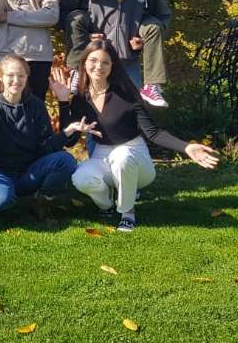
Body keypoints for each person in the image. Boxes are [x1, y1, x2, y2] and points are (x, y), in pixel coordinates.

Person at [53, 40, 219, 232]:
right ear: (84, 63)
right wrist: (63, 102)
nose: (98, 66)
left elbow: (153, 132)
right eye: (93, 60)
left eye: (105, 62)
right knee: (81, 177)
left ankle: (127, 211)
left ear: (112, 66)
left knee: (122, 156)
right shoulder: (81, 98)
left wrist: (186, 147)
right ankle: (106, 206)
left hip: (134, 155)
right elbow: (71, 140)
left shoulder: (126, 93)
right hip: (101, 154)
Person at [0, 43, 78, 214]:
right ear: (0, 78)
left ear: (27, 77)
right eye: (10, 75)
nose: (16, 80)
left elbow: (45, 147)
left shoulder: (36, 105)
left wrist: (66, 133)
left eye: (21, 75)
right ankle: (6, 193)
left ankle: (43, 198)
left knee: (66, 160)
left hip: (30, 172)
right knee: (0, 202)